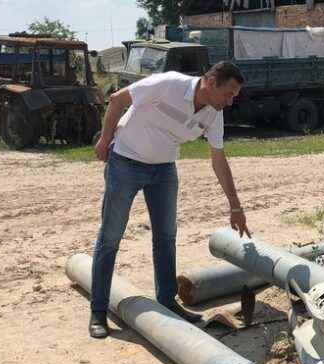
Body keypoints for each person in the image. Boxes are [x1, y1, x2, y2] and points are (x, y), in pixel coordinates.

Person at [89, 61, 251, 339]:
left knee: (166, 236)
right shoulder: (168, 84)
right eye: (229, 93)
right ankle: (99, 311)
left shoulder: (214, 114)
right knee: (111, 236)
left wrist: (235, 206)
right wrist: (105, 140)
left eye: (234, 96)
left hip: (164, 170)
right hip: (126, 162)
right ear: (211, 81)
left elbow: (218, 159)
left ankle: (167, 300)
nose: (231, 100)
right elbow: (117, 100)